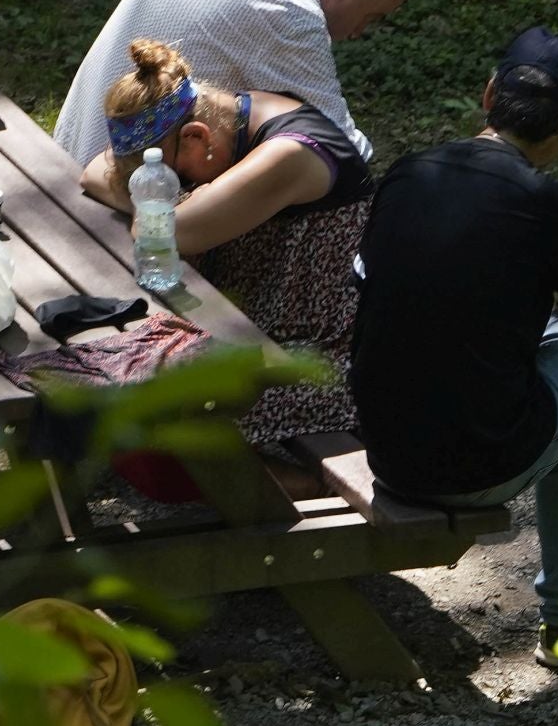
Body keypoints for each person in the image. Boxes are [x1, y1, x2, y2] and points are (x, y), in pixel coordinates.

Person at [348, 27, 558, 667]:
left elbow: (373, 293)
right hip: (477, 468)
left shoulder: (408, 174)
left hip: (386, 449)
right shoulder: (547, 202)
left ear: (488, 93)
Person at [80, 38, 372, 450]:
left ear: (196, 137)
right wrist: (162, 198)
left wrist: (157, 211)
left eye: (176, 180)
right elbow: (95, 171)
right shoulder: (218, 114)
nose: (173, 191)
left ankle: (300, 480)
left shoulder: (290, 153)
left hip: (316, 356)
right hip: (239, 323)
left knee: (174, 411)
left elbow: (162, 233)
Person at [52, 0, 412, 165]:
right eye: (370, 17)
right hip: (110, 199)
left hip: (67, 158)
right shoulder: (285, 7)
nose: (358, 33)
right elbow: (341, 148)